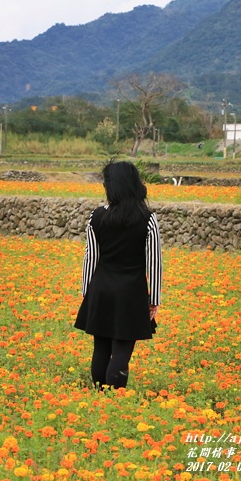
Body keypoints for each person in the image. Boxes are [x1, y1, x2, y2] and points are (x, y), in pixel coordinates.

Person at [74, 160, 162, 391]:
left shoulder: (97, 217)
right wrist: (154, 299)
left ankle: (100, 396)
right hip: (131, 293)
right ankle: (114, 399)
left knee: (101, 347)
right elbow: (154, 262)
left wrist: (87, 294)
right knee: (122, 350)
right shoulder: (147, 219)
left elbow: (90, 258)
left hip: (101, 289)